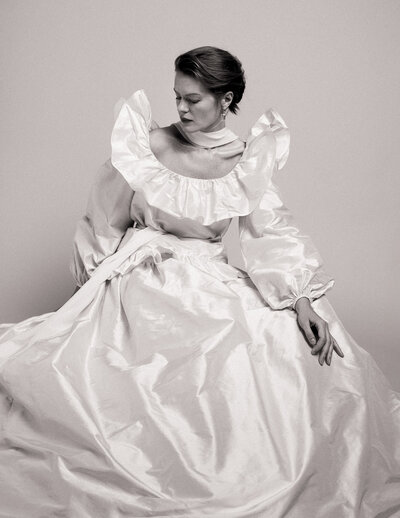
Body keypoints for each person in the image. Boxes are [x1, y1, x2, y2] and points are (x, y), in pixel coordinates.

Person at [0, 46, 399, 518]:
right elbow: (103, 220)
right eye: (177, 98)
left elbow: (269, 233)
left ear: (226, 100)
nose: (182, 109)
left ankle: (246, 473)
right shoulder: (148, 145)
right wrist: (89, 287)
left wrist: (302, 300)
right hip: (137, 281)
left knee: (284, 346)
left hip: (206, 279)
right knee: (104, 380)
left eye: (193, 100)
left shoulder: (247, 161)